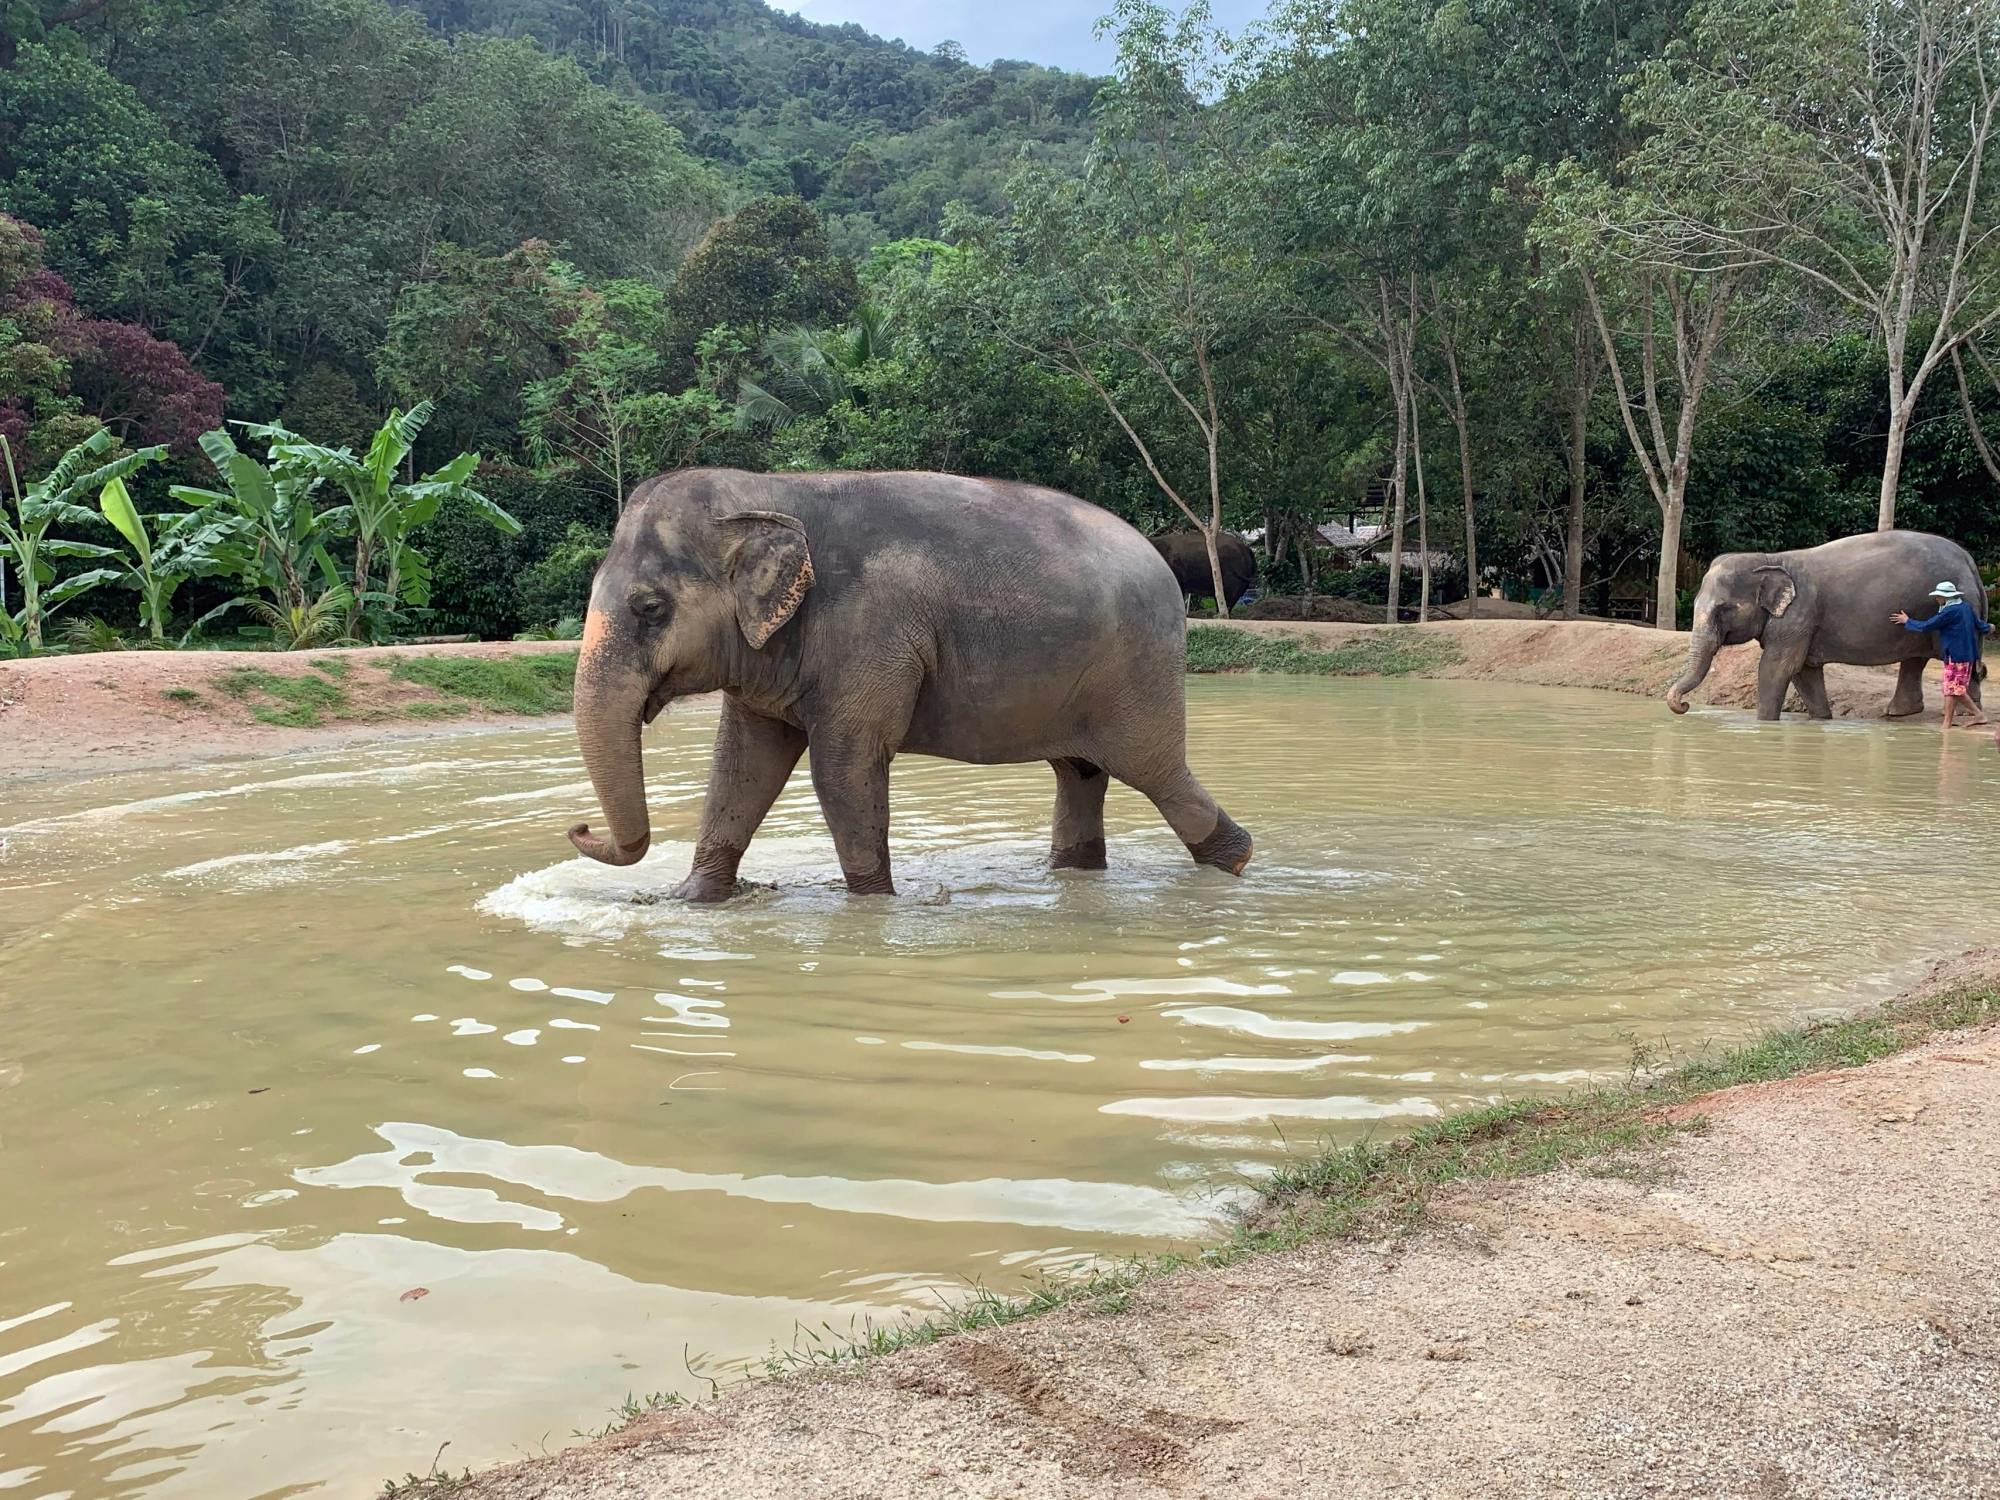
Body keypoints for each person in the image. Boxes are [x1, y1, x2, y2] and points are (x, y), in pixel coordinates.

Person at [1891, 581, 1993, 730]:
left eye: (1939, 596)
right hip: (1964, 655)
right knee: (1950, 689)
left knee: (1955, 689)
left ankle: (1978, 715)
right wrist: (1989, 627)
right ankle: (1947, 723)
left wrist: (1907, 621)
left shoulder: (1949, 612)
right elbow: (1979, 624)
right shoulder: (1965, 608)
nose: (1937, 599)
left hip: (1957, 656)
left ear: (1945, 597)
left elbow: (1927, 626)